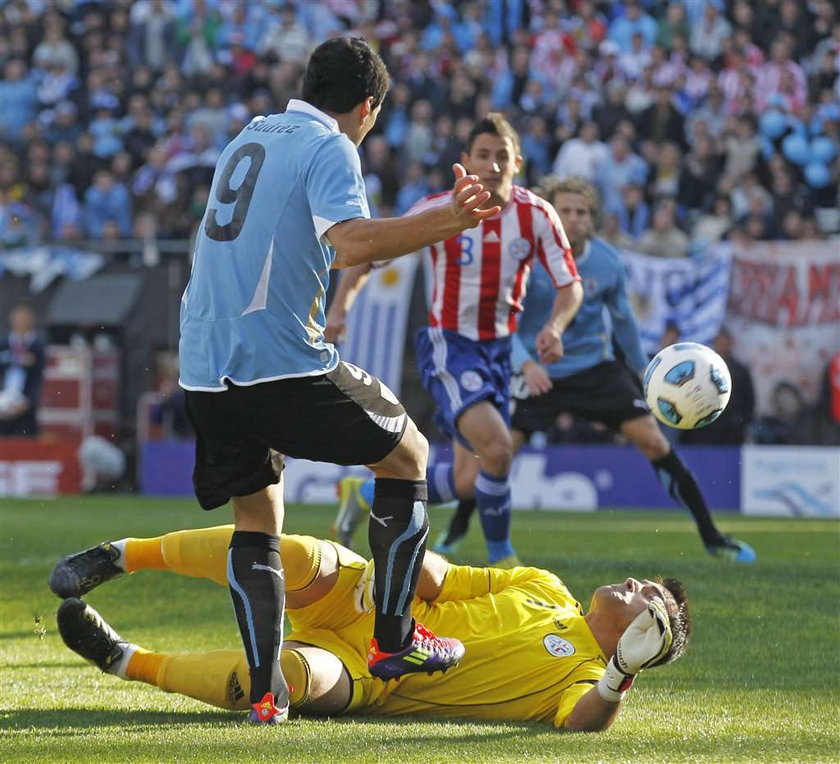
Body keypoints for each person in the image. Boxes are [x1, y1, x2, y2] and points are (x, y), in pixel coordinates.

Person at [177, 37, 502, 723]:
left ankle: (268, 694)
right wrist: (449, 218)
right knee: (409, 454)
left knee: (258, 519)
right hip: (280, 363)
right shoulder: (332, 146)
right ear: (368, 105)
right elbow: (350, 242)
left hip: (204, 367)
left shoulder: (250, 135)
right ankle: (395, 638)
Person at [51, 525, 689, 732]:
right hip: (375, 608)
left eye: (647, 600)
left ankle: (123, 659)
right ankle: (123, 555)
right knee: (295, 555)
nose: (633, 586)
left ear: (645, 638)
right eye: (641, 582)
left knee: (287, 679)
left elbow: (584, 723)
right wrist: (401, 556)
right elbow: (445, 580)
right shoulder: (546, 585)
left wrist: (620, 676)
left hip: (372, 676)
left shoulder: (585, 676)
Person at [436, 178, 755, 563]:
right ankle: (456, 529)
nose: (573, 218)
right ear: (549, 215)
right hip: (538, 373)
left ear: (593, 219)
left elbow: (623, 323)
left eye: (581, 212)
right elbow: (507, 323)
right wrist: (526, 364)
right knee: (496, 456)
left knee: (654, 442)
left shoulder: (607, 261)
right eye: (564, 211)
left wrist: (644, 371)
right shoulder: (525, 261)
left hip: (595, 370)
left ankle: (713, 538)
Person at [328, 114, 583, 567]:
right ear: (466, 161)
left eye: (501, 156)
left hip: (499, 353)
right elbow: (371, 252)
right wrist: (341, 307)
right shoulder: (441, 209)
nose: (492, 165)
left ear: (517, 163)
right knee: (500, 449)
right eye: (482, 155)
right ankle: (504, 559)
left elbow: (570, 285)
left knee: (469, 480)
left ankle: (363, 492)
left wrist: (555, 328)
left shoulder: (538, 215)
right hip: (449, 344)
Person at [681, 328, 756, 445]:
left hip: (731, 426)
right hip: (704, 424)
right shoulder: (702, 367)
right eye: (719, 343)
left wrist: (742, 421)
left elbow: (748, 399)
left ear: (730, 344)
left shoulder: (740, 370)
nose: (722, 346)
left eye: (725, 343)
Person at [0, 303, 46, 437]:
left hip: (26, 407)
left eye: (24, 319)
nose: (21, 323)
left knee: (25, 444)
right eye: (18, 319)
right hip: (3, 403)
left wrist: (28, 402)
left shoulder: (38, 347)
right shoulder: (3, 345)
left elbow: (39, 379)